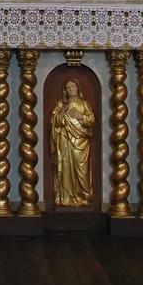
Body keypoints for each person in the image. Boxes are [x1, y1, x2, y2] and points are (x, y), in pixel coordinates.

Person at [49, 78, 95, 207]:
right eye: (68, 87)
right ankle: (65, 198)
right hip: (64, 141)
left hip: (81, 142)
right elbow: (54, 123)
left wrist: (81, 117)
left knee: (82, 171)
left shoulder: (84, 104)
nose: (70, 89)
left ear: (78, 88)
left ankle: (83, 197)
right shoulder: (61, 104)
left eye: (72, 86)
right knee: (65, 168)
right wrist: (63, 112)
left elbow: (91, 121)